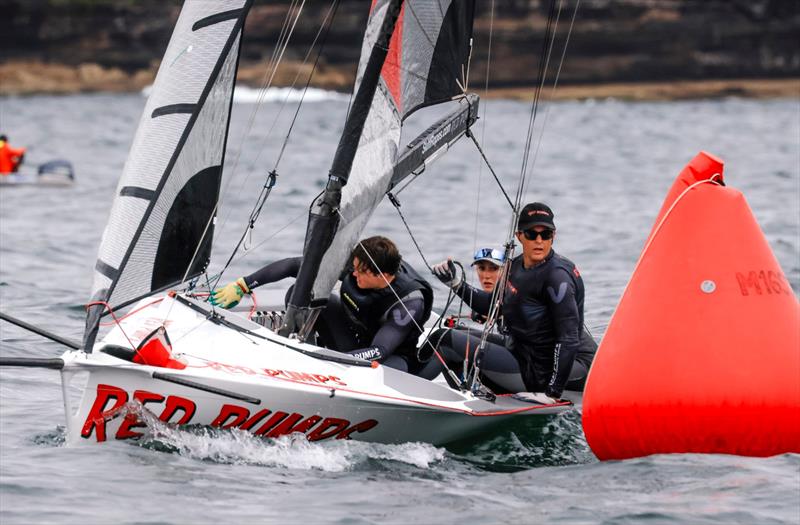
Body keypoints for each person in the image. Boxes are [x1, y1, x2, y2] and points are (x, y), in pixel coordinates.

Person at [430, 202, 597, 401]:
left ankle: (404, 387)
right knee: (452, 334)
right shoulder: (515, 266)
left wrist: (552, 393)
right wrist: (456, 284)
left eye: (545, 234)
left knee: (444, 339)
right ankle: (471, 397)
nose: (539, 241)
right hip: (525, 352)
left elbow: (568, 339)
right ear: (519, 236)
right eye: (531, 234)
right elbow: (491, 304)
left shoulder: (557, 277)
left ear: (553, 236)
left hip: (558, 368)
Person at [211, 236, 436, 376]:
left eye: (361, 272)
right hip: (353, 336)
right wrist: (243, 285)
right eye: (354, 267)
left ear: (384, 276)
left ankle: (313, 365)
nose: (353, 274)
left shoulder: (409, 303)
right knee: (302, 292)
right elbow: (294, 266)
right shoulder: (361, 262)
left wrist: (322, 361)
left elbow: (379, 350)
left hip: (388, 357)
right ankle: (296, 349)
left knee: (380, 372)